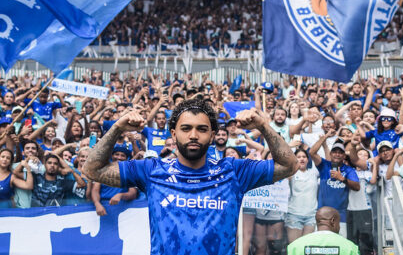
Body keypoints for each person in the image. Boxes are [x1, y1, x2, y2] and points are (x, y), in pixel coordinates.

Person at [83, 99, 297, 255]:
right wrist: (117, 127)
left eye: (202, 129)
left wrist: (263, 126)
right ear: (174, 134)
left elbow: (289, 165)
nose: (193, 135)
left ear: (212, 136)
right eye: (186, 128)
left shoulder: (234, 170)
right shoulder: (151, 170)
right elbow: (92, 170)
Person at [309, 129, 360, 237]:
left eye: (340, 152)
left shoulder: (349, 170)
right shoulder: (324, 165)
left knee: (340, 247)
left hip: (340, 216)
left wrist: (342, 178)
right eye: (335, 152)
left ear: (344, 156)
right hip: (322, 214)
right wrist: (325, 136)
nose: (337, 154)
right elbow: (311, 152)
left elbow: (357, 187)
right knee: (321, 246)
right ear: (331, 154)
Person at [286, 207, 360, 255]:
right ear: (333, 221)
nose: (339, 227)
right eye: (338, 223)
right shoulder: (350, 247)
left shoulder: (294, 247)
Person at [285, 149, 319, 244]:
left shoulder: (314, 172)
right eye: (298, 157)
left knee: (307, 248)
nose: (302, 159)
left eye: (304, 157)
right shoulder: (290, 173)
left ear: (308, 159)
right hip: (294, 215)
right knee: (294, 247)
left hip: (311, 216)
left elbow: (325, 162)